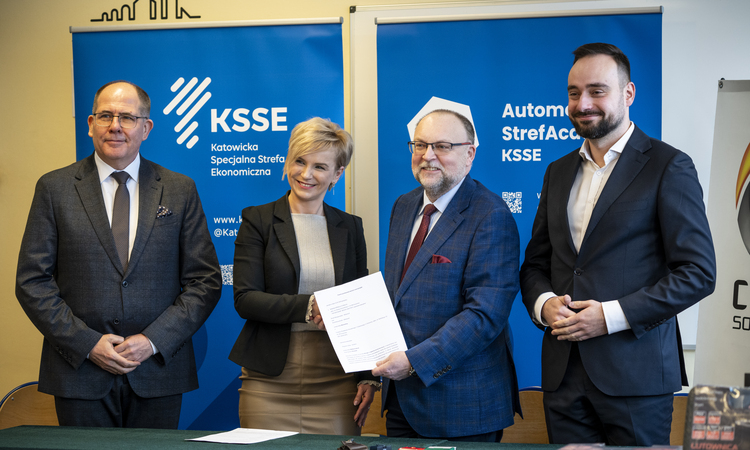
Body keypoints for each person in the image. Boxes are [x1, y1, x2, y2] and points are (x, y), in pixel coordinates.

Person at [520, 42, 716, 446]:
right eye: (574, 93)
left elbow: (698, 273)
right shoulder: (558, 172)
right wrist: (544, 304)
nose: (582, 103)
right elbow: (536, 264)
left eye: (597, 91)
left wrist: (611, 316)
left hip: (637, 376)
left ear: (628, 94)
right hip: (563, 376)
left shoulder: (668, 165)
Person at [15, 80, 222, 428]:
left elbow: (205, 281)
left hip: (157, 371)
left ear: (146, 127)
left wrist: (152, 341)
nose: (115, 126)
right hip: (79, 372)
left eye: (127, 117)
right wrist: (87, 343)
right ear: (90, 124)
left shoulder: (179, 189)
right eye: (105, 116)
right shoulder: (54, 188)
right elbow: (32, 282)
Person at [372, 108, 521, 442]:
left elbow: (484, 316)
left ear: (469, 154)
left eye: (442, 146)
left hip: (461, 407)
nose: (428, 156)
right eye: (420, 145)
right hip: (400, 401)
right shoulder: (403, 206)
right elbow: (398, 297)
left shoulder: (491, 214)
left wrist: (413, 362)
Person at [229, 117, 378, 434]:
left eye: (320, 167)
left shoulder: (351, 227)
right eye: (300, 161)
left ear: (337, 174)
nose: (306, 174)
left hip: (337, 378)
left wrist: (367, 375)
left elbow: (360, 306)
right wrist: (310, 306)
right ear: (288, 161)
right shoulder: (258, 220)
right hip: (268, 379)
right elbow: (245, 299)